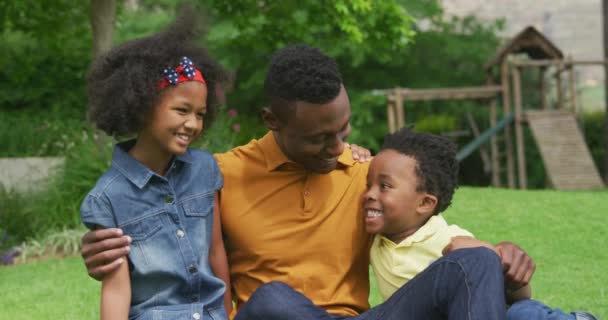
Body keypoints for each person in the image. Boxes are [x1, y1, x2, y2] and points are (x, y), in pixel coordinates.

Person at [80, 44, 537, 319]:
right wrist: (100, 247)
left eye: (343, 130)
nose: (338, 147)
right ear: (272, 121)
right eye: (319, 138)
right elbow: (155, 218)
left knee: (474, 263)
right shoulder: (219, 174)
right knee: (274, 301)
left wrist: (497, 258)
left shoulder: (368, 176)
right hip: (273, 319)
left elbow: (431, 234)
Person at [80, 11, 231, 320]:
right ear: (143, 105)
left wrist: (228, 314)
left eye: (200, 114)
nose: (192, 124)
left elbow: (216, 252)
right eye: (181, 110)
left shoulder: (205, 169)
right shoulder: (108, 198)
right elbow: (116, 288)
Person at [364, 127, 600, 320]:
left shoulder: (449, 239)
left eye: (384, 186)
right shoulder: (376, 238)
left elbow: (517, 291)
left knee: (522, 313)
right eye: (368, 185)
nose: (369, 194)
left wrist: (499, 259)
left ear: (425, 203)